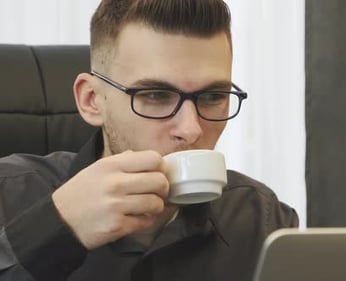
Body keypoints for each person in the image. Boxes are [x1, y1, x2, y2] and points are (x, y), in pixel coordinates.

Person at [0, 0, 298, 280]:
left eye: (212, 97)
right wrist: (58, 227)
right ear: (92, 100)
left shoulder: (263, 221)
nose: (191, 129)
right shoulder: (9, 196)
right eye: (156, 95)